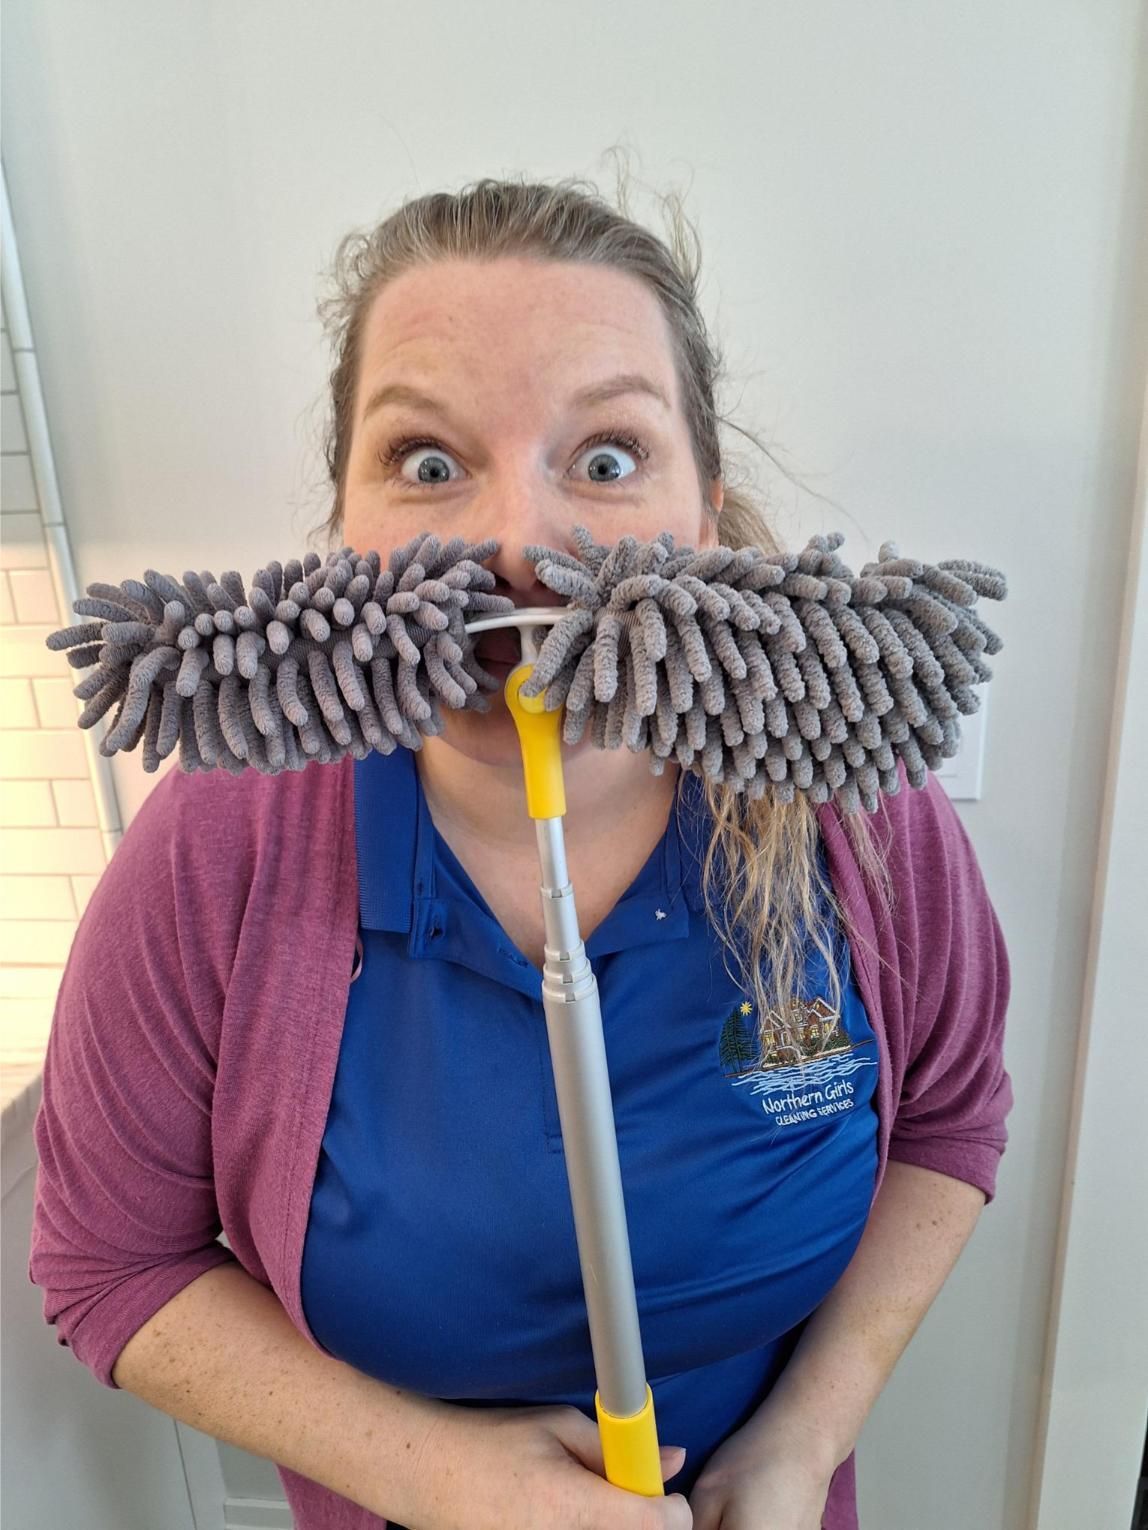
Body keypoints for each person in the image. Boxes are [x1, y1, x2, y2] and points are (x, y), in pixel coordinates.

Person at [29, 175, 1013, 1530]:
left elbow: (951, 1122)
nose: (517, 547)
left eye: (605, 458)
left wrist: (800, 1441)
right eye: (428, 462)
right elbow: (108, 1262)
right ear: (343, 526)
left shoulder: (853, 803)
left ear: (706, 513)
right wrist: (436, 1477)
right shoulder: (220, 845)